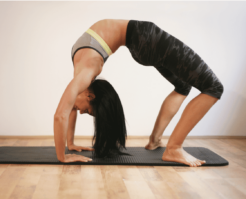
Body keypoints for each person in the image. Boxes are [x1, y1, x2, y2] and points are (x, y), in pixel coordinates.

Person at [54, 19, 224, 167]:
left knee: (190, 87)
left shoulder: (85, 73)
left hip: (144, 38)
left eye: (87, 111)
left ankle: (158, 141)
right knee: (212, 87)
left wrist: (63, 154)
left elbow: (61, 114)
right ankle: (172, 148)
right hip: (144, 39)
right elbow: (70, 108)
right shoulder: (83, 76)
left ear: (90, 96)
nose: (81, 111)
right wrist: (70, 144)